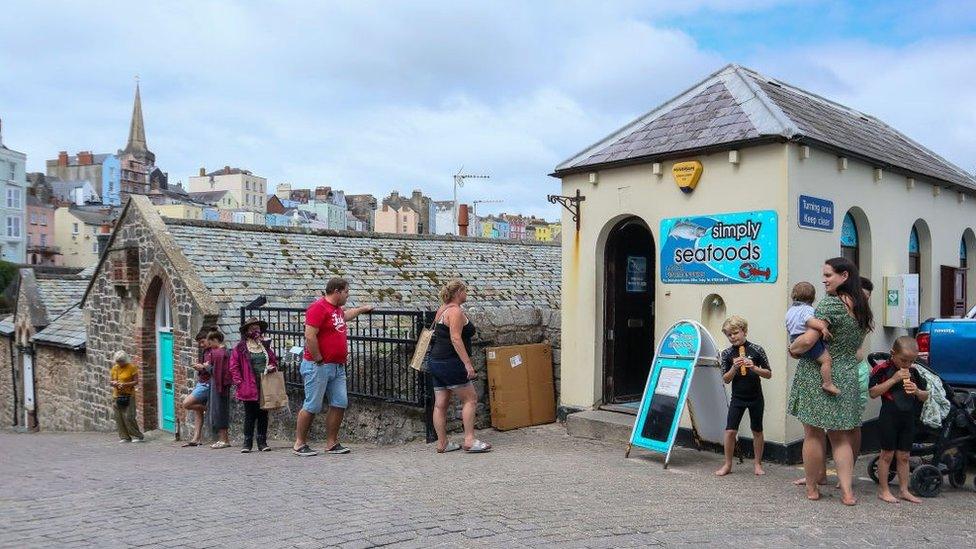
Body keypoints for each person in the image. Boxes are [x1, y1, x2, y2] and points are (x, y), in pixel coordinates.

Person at [788, 257, 874, 505]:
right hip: (846, 374)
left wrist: (792, 349)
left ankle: (813, 488)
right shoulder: (861, 307)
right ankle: (847, 492)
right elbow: (856, 347)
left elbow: (807, 341)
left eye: (828, 275)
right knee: (840, 437)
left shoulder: (830, 305)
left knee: (812, 434)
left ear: (844, 276)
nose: (824, 280)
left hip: (817, 374)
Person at [292, 278, 374, 457]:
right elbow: (310, 336)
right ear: (336, 291)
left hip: (337, 366)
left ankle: (331, 442)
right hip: (318, 365)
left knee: (340, 402)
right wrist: (319, 358)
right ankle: (299, 443)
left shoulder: (335, 310)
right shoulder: (318, 308)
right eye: (346, 292)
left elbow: (345, 316)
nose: (347, 295)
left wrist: (361, 309)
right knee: (312, 405)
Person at [428, 280, 491, 454]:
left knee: (440, 404)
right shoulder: (455, 311)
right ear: (458, 292)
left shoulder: (442, 309)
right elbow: (455, 338)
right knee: (470, 399)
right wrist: (468, 364)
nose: (467, 294)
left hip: (436, 361)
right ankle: (469, 440)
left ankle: (442, 443)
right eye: (465, 291)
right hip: (451, 362)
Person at [869, 336, 928, 504]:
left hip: (908, 417)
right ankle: (884, 490)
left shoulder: (914, 372)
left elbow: (925, 396)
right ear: (892, 354)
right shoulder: (882, 369)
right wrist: (894, 379)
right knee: (887, 454)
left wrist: (917, 391)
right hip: (889, 416)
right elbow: (873, 392)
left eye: (911, 361)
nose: (907, 365)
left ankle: (904, 490)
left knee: (904, 456)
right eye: (903, 360)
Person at [715, 315, 771, 476]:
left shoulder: (757, 349)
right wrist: (734, 367)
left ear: (744, 331)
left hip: (756, 397)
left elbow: (768, 374)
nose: (732, 337)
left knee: (757, 430)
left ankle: (758, 464)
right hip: (738, 398)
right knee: (730, 431)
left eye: (735, 333)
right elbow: (725, 379)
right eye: (729, 335)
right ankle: (727, 464)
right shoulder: (726, 353)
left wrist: (753, 367)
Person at [230, 317, 279, 453]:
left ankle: (262, 442)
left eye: (257, 328)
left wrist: (272, 367)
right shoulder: (240, 348)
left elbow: (273, 360)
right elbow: (234, 367)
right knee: (250, 414)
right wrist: (239, 382)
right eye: (252, 328)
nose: (255, 331)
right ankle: (247, 443)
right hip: (248, 384)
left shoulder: (265, 346)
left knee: (263, 413)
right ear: (247, 331)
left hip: (264, 383)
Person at [785, 282, 838, 396]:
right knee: (826, 360)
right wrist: (823, 327)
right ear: (813, 298)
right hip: (806, 339)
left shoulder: (790, 311)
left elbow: (789, 326)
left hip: (794, 339)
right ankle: (827, 383)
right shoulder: (807, 309)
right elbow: (810, 321)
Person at [181, 330, 213, 447]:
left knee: (186, 403)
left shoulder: (214, 351)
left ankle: (207, 408)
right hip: (201, 382)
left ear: (209, 339)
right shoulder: (205, 351)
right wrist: (199, 367)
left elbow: (214, 369)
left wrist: (202, 368)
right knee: (197, 410)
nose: (201, 345)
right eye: (199, 343)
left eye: (202, 342)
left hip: (206, 384)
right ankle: (196, 438)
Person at [205, 330, 232, 449]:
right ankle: (223, 439)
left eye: (210, 343)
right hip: (222, 385)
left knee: (219, 411)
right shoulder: (225, 351)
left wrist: (207, 367)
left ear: (215, 340)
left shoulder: (219, 353)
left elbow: (217, 372)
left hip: (218, 385)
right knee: (220, 410)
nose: (210, 346)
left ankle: (223, 439)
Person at [110, 350, 144, 443]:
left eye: (121, 361)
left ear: (125, 360)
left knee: (129, 416)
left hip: (129, 395)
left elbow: (136, 381)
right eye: (118, 361)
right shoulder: (114, 368)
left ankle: (137, 435)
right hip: (117, 395)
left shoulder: (132, 368)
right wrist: (115, 383)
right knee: (119, 417)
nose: (120, 363)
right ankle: (124, 437)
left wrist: (125, 384)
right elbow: (111, 381)